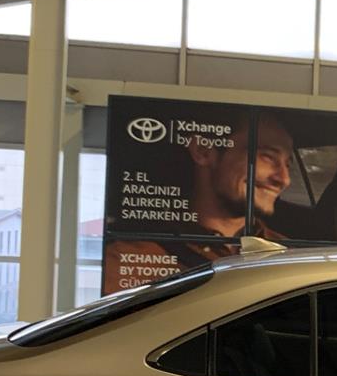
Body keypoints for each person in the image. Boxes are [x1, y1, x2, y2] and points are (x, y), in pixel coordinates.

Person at [103, 114, 295, 292]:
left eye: (287, 164)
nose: (284, 179)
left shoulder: (292, 255)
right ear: (203, 151)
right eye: (268, 157)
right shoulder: (130, 255)